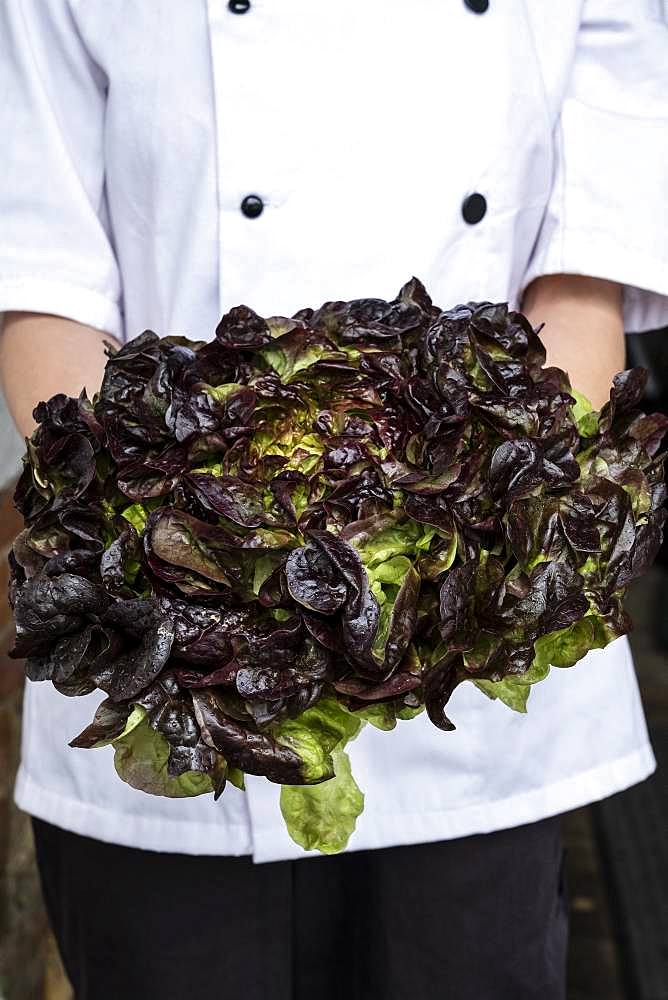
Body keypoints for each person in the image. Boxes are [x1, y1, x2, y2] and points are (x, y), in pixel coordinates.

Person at [0, 2, 666, 998]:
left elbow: (573, 305)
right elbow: (42, 281)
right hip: (170, 661)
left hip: (463, 685)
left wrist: (437, 581)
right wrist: (207, 579)